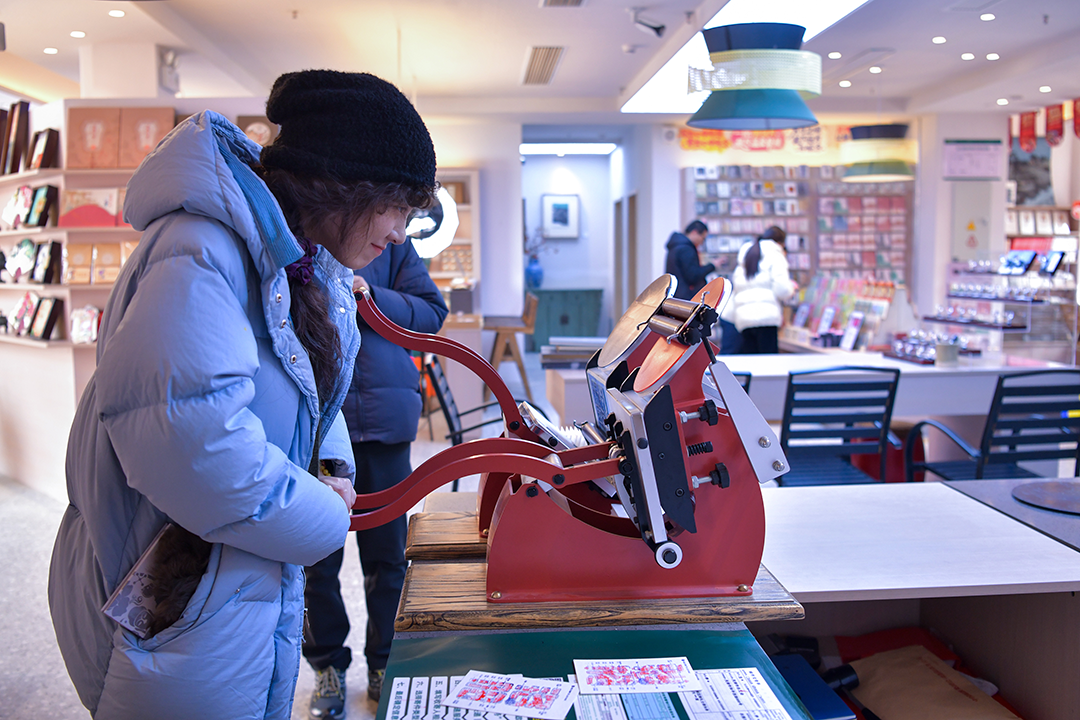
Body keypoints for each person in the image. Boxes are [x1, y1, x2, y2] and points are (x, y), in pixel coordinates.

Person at [48, 70, 438, 720]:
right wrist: (324, 516)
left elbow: (310, 388)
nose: (400, 232)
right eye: (396, 206)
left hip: (224, 586)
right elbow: (196, 450)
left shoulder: (302, 262)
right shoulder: (201, 252)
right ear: (345, 186)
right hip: (172, 605)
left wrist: (331, 465)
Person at [303, 240, 447, 718]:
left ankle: (385, 662)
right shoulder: (303, 236)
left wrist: (371, 295)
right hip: (323, 431)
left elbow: (432, 312)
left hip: (386, 424)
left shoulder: (393, 247)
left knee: (388, 556)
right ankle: (327, 664)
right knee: (317, 556)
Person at [730, 226, 797, 354]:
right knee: (769, 362)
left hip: (744, 318)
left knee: (752, 361)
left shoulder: (747, 254)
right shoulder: (775, 254)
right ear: (780, 243)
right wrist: (791, 288)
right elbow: (782, 289)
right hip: (766, 317)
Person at [664, 219, 715, 300]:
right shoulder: (686, 249)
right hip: (686, 298)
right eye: (703, 238)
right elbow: (693, 276)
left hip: (676, 295)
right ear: (694, 232)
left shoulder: (677, 245)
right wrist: (712, 265)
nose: (702, 242)